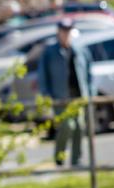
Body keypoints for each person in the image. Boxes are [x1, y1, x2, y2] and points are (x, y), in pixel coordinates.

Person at [37, 18, 91, 168]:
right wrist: (46, 94)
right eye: (63, 31)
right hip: (60, 97)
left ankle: (76, 160)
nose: (66, 34)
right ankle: (59, 158)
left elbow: (88, 72)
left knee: (79, 127)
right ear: (58, 32)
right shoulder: (50, 52)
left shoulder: (79, 50)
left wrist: (89, 91)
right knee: (67, 126)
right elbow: (42, 75)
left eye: (68, 31)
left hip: (77, 95)